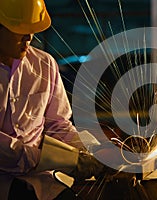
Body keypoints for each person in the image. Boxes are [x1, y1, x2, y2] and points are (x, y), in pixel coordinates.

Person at [0, 0, 105, 199]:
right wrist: (64, 160)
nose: (29, 37)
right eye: (20, 28)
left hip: (41, 181)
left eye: (32, 29)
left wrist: (94, 152)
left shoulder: (44, 65)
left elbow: (58, 125)